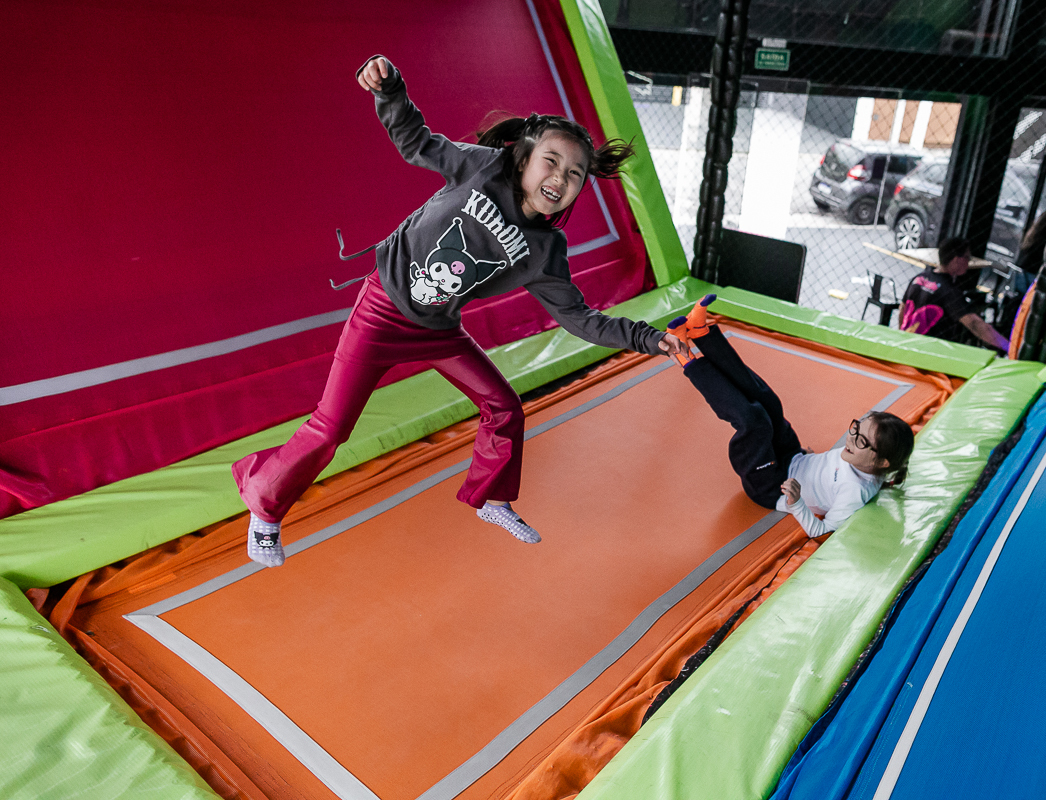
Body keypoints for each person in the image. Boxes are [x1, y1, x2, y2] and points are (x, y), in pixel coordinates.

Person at [232, 55, 688, 566]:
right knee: (331, 426)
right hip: (382, 310)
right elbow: (417, 143)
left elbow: (581, 318)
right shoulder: (483, 167)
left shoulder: (545, 251)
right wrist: (390, 90)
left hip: (439, 329)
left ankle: (492, 499)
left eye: (575, 173)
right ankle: (266, 508)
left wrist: (650, 338)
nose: (560, 177)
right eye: (551, 162)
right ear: (523, 159)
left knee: (504, 406)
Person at [665, 296, 914, 536]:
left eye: (861, 440)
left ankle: (686, 359)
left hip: (771, 485)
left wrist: (796, 502)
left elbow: (821, 529)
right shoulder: (866, 461)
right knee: (770, 402)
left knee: (755, 421)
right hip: (792, 456)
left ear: (882, 462)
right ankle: (703, 335)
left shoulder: (855, 493)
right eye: (856, 428)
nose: (851, 438)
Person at [899, 236, 1010, 353]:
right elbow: (974, 324)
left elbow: (902, 308)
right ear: (957, 260)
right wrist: (1008, 346)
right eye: (967, 257)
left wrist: (902, 336)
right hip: (930, 352)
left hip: (908, 343)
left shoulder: (919, 278)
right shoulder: (949, 291)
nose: (969, 262)